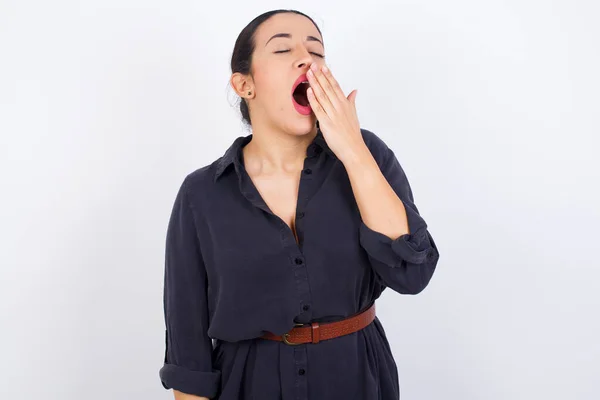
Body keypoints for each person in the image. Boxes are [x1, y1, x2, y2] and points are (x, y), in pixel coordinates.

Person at [159, 9, 440, 400]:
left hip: (356, 378)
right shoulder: (201, 194)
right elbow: (187, 354)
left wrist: (353, 150)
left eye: (317, 51)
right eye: (282, 49)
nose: (306, 58)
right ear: (244, 85)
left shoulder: (366, 155)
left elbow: (413, 273)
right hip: (247, 385)